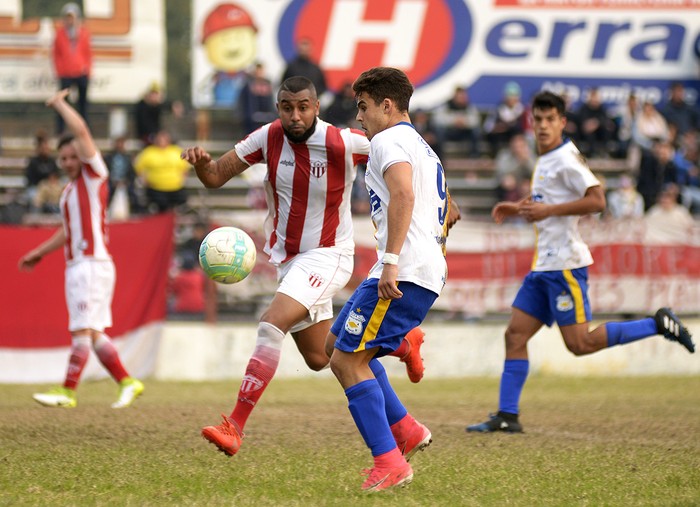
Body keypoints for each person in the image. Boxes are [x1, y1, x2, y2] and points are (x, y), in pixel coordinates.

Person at [180, 76, 429, 459]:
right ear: (278, 107)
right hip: (290, 261)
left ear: (315, 107)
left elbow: (406, 158)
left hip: (329, 255)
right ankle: (405, 403)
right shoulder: (266, 138)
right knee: (324, 357)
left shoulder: (343, 142)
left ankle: (235, 425)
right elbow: (215, 176)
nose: (294, 116)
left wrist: (449, 199)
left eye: (302, 107)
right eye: (286, 107)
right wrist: (201, 164)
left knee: (271, 322)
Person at [466, 91, 695, 434]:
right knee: (514, 335)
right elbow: (548, 201)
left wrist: (547, 211)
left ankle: (658, 324)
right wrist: (518, 208)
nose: (543, 126)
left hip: (565, 266)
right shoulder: (545, 158)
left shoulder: (566, 158)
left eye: (549, 120)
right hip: (543, 266)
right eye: (538, 120)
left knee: (579, 344)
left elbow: (597, 200)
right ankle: (507, 416)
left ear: (561, 122)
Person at [326, 67, 456, 492]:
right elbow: (449, 209)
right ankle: (406, 428)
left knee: (346, 361)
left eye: (363, 107)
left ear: (386, 105)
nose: (358, 116)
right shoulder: (421, 145)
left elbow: (402, 192)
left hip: (403, 271)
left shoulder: (387, 140)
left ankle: (390, 462)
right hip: (421, 268)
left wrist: (393, 261)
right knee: (336, 344)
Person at [18, 89, 144, 409]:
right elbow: (66, 230)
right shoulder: (68, 191)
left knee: (82, 331)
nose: (69, 162)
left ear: (83, 156)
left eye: (74, 156)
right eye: (64, 159)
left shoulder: (94, 176)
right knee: (96, 334)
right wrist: (39, 252)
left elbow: (83, 132)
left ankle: (68, 391)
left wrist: (60, 104)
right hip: (82, 264)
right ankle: (128, 382)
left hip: (90, 264)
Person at [52, 3, 92, 134]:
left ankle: (84, 129)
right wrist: (60, 70)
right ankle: (61, 131)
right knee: (63, 103)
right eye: (67, 17)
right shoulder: (60, 34)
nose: (70, 20)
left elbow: (88, 53)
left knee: (83, 105)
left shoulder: (84, 33)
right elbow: (56, 54)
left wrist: (87, 70)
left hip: (81, 72)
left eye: (72, 17)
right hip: (66, 74)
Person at [134, 130, 191, 213]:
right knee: (160, 207)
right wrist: (145, 180)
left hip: (175, 188)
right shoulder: (149, 152)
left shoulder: (176, 151)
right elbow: (138, 167)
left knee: (182, 203)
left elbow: (185, 168)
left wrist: (181, 179)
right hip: (156, 189)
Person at [432, 85, 482, 157]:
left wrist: (465, 122)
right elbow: (438, 119)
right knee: (439, 131)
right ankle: (440, 157)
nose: (462, 99)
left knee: (476, 131)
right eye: (460, 97)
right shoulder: (446, 106)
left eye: (463, 97)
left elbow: (476, 121)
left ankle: (474, 156)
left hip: (464, 133)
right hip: (450, 132)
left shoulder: (469, 108)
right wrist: (453, 121)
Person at [237, 62, 276, 133]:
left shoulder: (267, 84)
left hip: (266, 119)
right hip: (251, 121)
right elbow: (243, 102)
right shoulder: (248, 85)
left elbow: (270, 101)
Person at [24, 131, 59, 209]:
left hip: (50, 188)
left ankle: (56, 215)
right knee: (34, 197)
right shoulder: (33, 162)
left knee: (57, 194)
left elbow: (56, 177)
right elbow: (30, 181)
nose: (46, 149)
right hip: (36, 188)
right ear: (39, 148)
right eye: (43, 147)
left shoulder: (52, 161)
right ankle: (36, 217)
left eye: (47, 147)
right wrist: (42, 185)